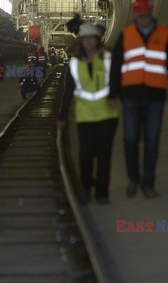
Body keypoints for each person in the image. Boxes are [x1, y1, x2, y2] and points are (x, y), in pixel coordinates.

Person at [109, 0, 168, 199]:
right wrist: (113, 92)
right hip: (130, 96)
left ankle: (148, 184)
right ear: (135, 15)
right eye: (140, 16)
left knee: (151, 141)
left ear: (151, 13)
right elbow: (116, 66)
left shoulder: (164, 35)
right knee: (130, 139)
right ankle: (133, 179)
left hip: (156, 97)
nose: (143, 20)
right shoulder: (126, 35)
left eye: (146, 16)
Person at [57, 23, 119, 204]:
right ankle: (85, 186)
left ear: (97, 40)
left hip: (107, 115)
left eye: (92, 38)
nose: (89, 42)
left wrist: (117, 96)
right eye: (86, 39)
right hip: (85, 116)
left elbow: (117, 81)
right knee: (85, 154)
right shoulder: (75, 64)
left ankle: (102, 193)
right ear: (81, 41)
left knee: (104, 155)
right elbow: (68, 91)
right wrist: (61, 116)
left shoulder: (108, 59)